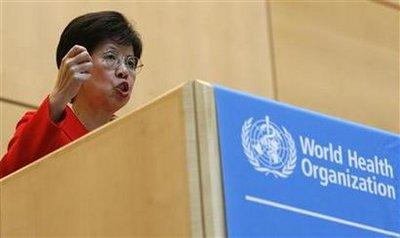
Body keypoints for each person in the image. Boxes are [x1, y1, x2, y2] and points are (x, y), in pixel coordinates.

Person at [0, 11, 143, 179]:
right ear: (78, 64)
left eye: (131, 62)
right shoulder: (45, 126)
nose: (124, 71)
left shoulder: (131, 140)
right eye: (111, 57)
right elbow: (7, 182)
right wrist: (58, 98)